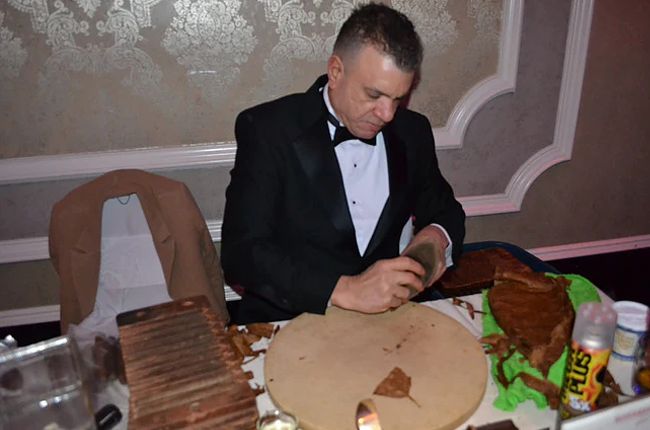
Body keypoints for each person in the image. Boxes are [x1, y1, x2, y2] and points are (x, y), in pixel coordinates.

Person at [221, 2, 465, 323]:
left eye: (397, 99)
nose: (387, 115)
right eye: (374, 95)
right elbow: (242, 254)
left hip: (385, 324)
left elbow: (446, 212)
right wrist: (345, 290)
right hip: (288, 320)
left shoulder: (412, 131)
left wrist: (434, 238)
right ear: (336, 72)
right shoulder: (268, 130)